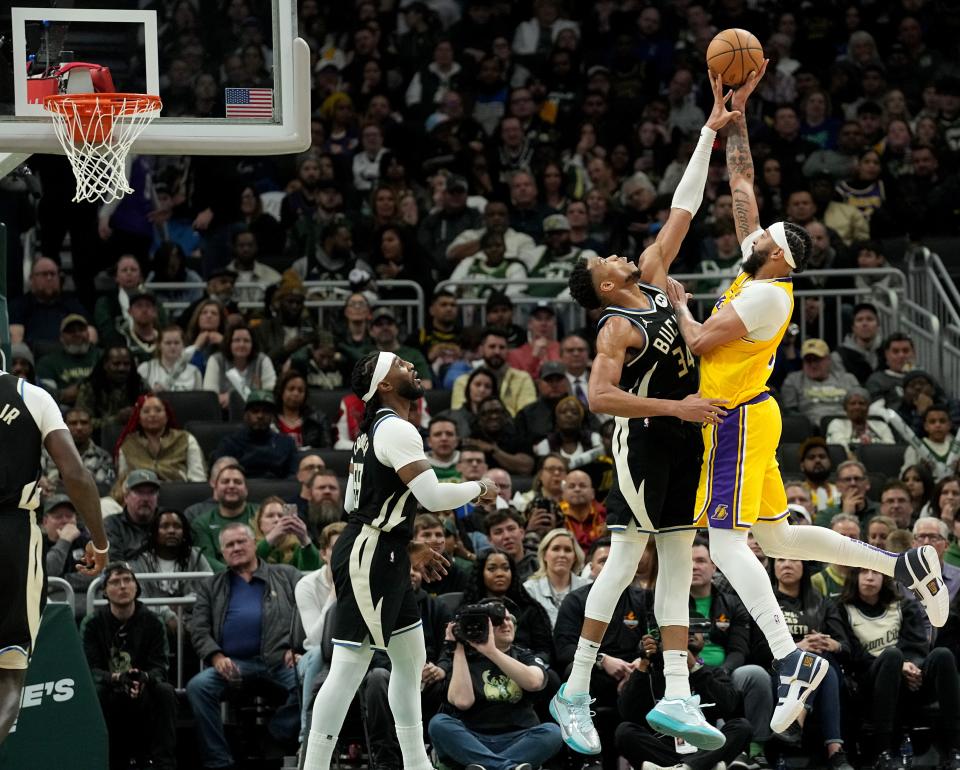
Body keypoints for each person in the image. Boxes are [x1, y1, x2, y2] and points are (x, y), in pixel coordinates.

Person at [667, 61, 948, 741]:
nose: (755, 231)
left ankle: (791, 658)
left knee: (726, 540)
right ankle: (900, 564)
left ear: (780, 257)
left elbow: (701, 342)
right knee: (778, 536)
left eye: (765, 236)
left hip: (733, 418)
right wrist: (736, 114)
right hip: (749, 415)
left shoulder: (766, 294)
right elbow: (740, 186)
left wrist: (676, 302)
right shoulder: (755, 268)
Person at [553, 72, 737, 755]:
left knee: (674, 556)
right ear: (604, 284)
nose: (620, 252)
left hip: (682, 438)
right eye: (607, 258)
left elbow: (684, 207)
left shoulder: (656, 279)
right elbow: (598, 399)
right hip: (643, 441)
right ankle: (573, 690)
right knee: (627, 560)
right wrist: (678, 405)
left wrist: (709, 133)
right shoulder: (614, 328)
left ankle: (681, 695)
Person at [301, 351, 498, 770]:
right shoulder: (395, 428)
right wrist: (480, 486)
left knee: (409, 661)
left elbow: (368, 503)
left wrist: (405, 547)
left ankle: (415, 763)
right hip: (369, 552)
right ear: (383, 385)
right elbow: (433, 498)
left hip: (382, 549)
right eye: (399, 364)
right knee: (349, 667)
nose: (410, 364)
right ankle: (313, 764)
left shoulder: (378, 430)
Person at [0, 367, 108, 747]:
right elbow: (75, 474)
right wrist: (100, 540)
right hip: (11, 534)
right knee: (8, 675)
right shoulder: (31, 396)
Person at [186, 522, 302, 770]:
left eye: (241, 542)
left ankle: (275, 734)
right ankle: (219, 761)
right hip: (234, 665)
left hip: (280, 661)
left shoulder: (286, 575)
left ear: (254, 544)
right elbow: (198, 628)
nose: (236, 548)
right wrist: (215, 657)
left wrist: (298, 648)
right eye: (229, 545)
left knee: (311, 682)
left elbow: (305, 615)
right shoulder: (211, 586)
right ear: (222, 553)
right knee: (198, 687)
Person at [835, 567, 960, 770]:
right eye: (863, 572)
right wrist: (898, 664)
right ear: (854, 576)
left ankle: (955, 750)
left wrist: (911, 667)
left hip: (908, 680)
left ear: (884, 578)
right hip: (867, 685)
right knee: (892, 656)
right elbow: (852, 656)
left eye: (875, 572)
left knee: (943, 655)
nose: (869, 577)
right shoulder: (842, 608)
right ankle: (882, 752)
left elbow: (918, 645)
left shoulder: (904, 605)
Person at [428, 600, 563, 770]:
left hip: (519, 738)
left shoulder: (523, 655)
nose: (506, 624)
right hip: (472, 739)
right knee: (439, 724)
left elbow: (534, 682)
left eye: (509, 619)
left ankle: (488, 765)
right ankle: (507, 767)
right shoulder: (462, 659)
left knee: (552, 732)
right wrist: (459, 648)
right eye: (497, 621)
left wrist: (492, 652)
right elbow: (463, 702)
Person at [81, 562, 178, 770]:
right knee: (95, 692)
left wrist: (144, 677)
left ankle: (164, 763)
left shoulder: (153, 621)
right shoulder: (92, 623)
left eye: (127, 580)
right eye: (115, 582)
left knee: (165, 691)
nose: (122, 586)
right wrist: (116, 678)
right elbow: (89, 670)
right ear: (105, 591)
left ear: (137, 587)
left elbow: (160, 667)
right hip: (109, 686)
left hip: (143, 686)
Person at [294, 521, 345, 746]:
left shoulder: (366, 581)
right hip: (313, 658)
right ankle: (307, 737)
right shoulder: (307, 585)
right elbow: (314, 640)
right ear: (324, 553)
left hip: (350, 653)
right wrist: (334, 595)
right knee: (317, 654)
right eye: (337, 547)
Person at [130, 508, 211, 636]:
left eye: (177, 526)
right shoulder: (141, 562)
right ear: (155, 532)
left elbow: (209, 590)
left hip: (192, 620)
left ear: (184, 532)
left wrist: (182, 604)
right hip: (152, 621)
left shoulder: (195, 556)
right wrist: (166, 613)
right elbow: (138, 598)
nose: (172, 531)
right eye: (164, 526)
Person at [115, 394, 206, 482]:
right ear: (139, 418)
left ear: (167, 416)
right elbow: (122, 482)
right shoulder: (129, 444)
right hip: (141, 494)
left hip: (179, 493)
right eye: (146, 411)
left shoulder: (186, 439)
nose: (152, 415)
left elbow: (198, 480)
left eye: (158, 410)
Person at [212, 390, 299, 479]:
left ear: (272, 416)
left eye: (266, 411)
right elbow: (220, 477)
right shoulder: (229, 444)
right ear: (246, 415)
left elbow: (292, 479)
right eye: (255, 411)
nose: (260, 416)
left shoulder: (286, 444)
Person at [189, 463, 258, 571]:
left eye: (237, 482)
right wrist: (234, 576)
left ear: (246, 489)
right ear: (215, 489)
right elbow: (206, 560)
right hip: (220, 581)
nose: (231, 486)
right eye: (225, 482)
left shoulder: (260, 514)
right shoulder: (202, 523)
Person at [39, 406, 116, 494]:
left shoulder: (103, 458)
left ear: (91, 427)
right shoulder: (48, 453)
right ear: (64, 426)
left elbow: (106, 488)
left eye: (84, 423)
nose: (79, 427)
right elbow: (36, 480)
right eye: (73, 423)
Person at [523, 528, 589, 627]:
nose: (562, 555)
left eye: (568, 550)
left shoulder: (588, 588)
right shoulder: (529, 589)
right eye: (556, 549)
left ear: (575, 556)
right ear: (544, 555)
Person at [203, 323, 277, 409]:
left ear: (253, 344)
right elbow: (210, 395)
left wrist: (233, 399)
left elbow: (271, 392)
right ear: (229, 343)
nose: (242, 345)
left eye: (246, 341)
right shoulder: (216, 360)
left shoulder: (262, 360)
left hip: (257, 412)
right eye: (237, 340)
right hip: (223, 413)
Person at [35, 314, 101, 405]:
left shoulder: (102, 357)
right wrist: (64, 394)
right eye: (71, 331)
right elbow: (45, 397)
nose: (77, 334)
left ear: (88, 334)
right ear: (61, 337)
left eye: (81, 330)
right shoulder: (48, 363)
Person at [104, 469, 162, 560]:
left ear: (157, 497)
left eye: (151, 492)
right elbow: (115, 563)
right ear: (126, 497)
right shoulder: (112, 524)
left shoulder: (167, 521)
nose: (146, 498)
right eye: (139, 492)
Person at [253, 496, 321, 570]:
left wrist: (304, 538)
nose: (276, 520)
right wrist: (273, 536)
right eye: (270, 516)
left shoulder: (296, 547)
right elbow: (252, 559)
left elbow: (311, 569)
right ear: (260, 523)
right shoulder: (251, 544)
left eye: (281, 516)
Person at [273, 370, 333, 450]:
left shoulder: (318, 419)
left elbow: (327, 451)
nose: (296, 394)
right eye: (291, 389)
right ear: (281, 392)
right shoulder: (271, 419)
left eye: (300, 390)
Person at [137, 325, 203, 393]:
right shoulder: (146, 369)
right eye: (168, 343)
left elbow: (199, 399)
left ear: (183, 345)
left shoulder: (194, 372)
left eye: (176, 343)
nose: (172, 346)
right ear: (159, 345)